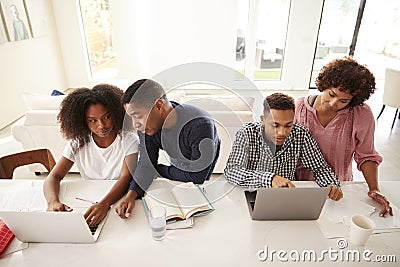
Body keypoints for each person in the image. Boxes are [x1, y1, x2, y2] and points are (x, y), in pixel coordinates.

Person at [294, 57, 392, 217]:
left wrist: (374, 188)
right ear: (324, 84)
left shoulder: (361, 114)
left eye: (343, 101)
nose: (333, 103)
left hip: (338, 190)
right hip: (301, 185)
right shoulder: (299, 108)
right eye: (331, 94)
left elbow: (366, 156)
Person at [116, 79, 220, 218]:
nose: (135, 125)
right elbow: (146, 164)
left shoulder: (200, 126)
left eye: (138, 116)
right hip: (179, 162)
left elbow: (197, 176)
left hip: (199, 172)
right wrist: (131, 194)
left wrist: (158, 170)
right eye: (131, 118)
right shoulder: (147, 128)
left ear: (159, 105)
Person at [43, 84, 139, 227]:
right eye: (92, 120)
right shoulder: (77, 143)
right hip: (89, 201)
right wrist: (53, 202)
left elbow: (126, 177)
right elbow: (54, 176)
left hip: (119, 202)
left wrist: (105, 204)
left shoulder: (129, 139)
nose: (101, 125)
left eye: (106, 117)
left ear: (115, 113)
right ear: (83, 120)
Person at [224, 93, 343, 201]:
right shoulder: (246, 133)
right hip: (251, 195)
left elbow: (319, 168)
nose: (281, 132)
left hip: (287, 197)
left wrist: (330, 184)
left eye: (288, 125)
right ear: (263, 120)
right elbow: (232, 171)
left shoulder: (300, 134)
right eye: (275, 125)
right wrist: (270, 179)